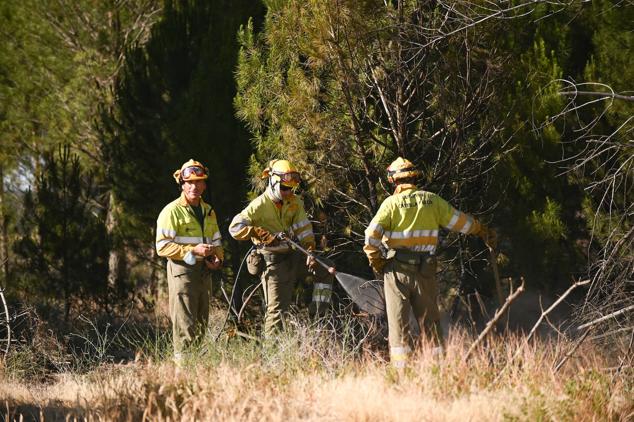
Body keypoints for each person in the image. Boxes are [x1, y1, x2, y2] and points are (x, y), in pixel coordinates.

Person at [363, 157, 496, 368]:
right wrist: (481, 230)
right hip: (425, 272)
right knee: (431, 323)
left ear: (393, 180)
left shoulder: (390, 204)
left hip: (397, 272)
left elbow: (371, 237)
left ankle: (401, 374)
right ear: (415, 177)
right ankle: (437, 370)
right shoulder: (432, 201)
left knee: (398, 326)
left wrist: (376, 261)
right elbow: (460, 221)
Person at [229, 159, 334, 336]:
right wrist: (255, 231)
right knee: (277, 311)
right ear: (272, 182)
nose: (287, 193)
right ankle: (271, 354)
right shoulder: (259, 205)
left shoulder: (295, 202)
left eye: (290, 189)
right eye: (284, 188)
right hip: (273, 264)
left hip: (294, 257)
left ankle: (317, 320)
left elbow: (304, 228)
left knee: (325, 269)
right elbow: (234, 228)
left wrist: (310, 251)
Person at [156, 159, 223, 363]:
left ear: (204, 184)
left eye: (198, 182)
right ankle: (183, 372)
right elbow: (162, 246)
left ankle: (196, 368)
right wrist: (192, 250)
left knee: (202, 323)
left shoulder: (208, 210)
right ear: (182, 184)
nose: (194, 186)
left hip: (204, 274)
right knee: (185, 325)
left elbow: (217, 241)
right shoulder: (171, 211)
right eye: (190, 182)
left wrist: (217, 259)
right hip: (182, 274)